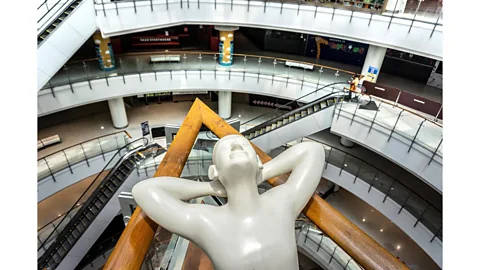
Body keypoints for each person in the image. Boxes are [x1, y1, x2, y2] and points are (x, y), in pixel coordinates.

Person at [132, 135, 325, 270]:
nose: (235, 146)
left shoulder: (283, 201)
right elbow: (145, 191)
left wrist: (260, 172)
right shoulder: (207, 223)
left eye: (243, 145)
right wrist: (212, 186)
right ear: (215, 171)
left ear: (257, 161)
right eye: (225, 148)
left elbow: (313, 151)